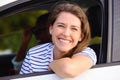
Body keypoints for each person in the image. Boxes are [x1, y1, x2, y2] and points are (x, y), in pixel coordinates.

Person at [20, 1, 97, 78]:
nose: (66, 34)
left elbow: (68, 70)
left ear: (81, 36)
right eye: (61, 26)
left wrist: (52, 64)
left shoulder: (87, 52)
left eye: (74, 29)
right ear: (51, 29)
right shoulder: (34, 54)